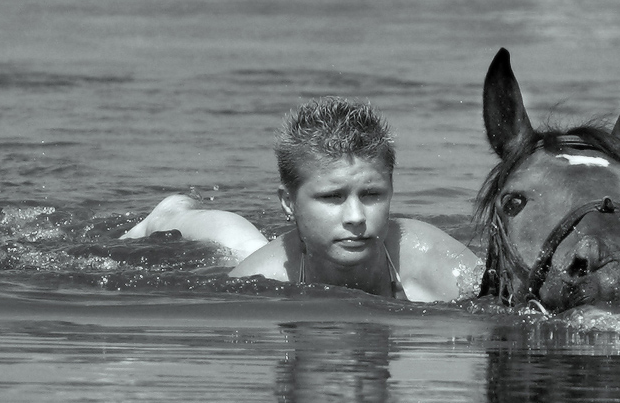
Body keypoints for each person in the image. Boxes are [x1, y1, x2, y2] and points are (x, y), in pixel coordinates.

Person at [121, 96, 483, 303]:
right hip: (288, 262)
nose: (356, 216)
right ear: (288, 203)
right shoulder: (258, 280)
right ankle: (170, 212)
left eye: (372, 194)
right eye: (332, 197)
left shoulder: (432, 259)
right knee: (238, 242)